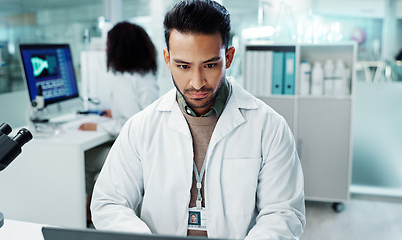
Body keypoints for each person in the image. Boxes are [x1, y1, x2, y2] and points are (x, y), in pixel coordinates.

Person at [90, 0, 305, 239]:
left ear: (229, 57)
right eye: (183, 66)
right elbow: (109, 202)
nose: (197, 82)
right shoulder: (141, 127)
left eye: (210, 65)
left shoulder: (269, 127)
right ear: (167, 59)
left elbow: (283, 213)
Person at [79, 21, 159, 226]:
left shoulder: (125, 78)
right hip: (149, 151)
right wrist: (112, 114)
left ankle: (86, 213)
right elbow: (139, 114)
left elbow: (129, 126)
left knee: (83, 160)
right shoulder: (145, 76)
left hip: (137, 154)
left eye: (108, 45)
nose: (106, 50)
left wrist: (98, 126)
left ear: (119, 48)